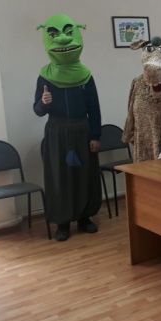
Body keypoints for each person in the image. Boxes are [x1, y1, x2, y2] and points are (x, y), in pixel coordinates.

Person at [34, 14, 102, 242]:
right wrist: (43, 103)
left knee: (84, 174)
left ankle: (84, 218)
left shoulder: (85, 75)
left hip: (82, 130)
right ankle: (62, 223)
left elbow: (94, 108)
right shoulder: (45, 76)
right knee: (60, 176)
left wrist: (95, 135)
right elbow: (37, 110)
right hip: (57, 132)